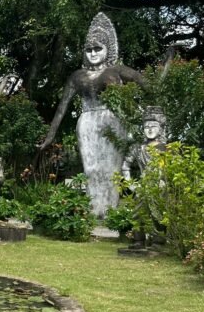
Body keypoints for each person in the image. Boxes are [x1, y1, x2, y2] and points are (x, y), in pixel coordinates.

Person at [39, 13, 144, 217]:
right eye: (89, 50)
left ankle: (110, 212)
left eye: (98, 48)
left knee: (111, 170)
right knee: (92, 169)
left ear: (107, 49)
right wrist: (50, 136)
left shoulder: (117, 70)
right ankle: (94, 211)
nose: (93, 53)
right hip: (87, 123)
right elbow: (61, 108)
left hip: (113, 121)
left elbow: (147, 84)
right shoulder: (77, 76)